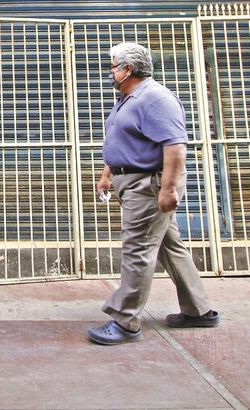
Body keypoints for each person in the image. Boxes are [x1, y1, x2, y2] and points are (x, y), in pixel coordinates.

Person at [87, 42, 220, 346]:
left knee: (137, 249)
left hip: (148, 186)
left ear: (127, 69)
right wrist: (108, 174)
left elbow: (174, 147)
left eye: (113, 65)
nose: (110, 71)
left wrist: (169, 189)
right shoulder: (129, 98)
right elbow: (125, 140)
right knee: (169, 246)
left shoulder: (155, 98)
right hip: (133, 183)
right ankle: (198, 311)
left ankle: (125, 321)